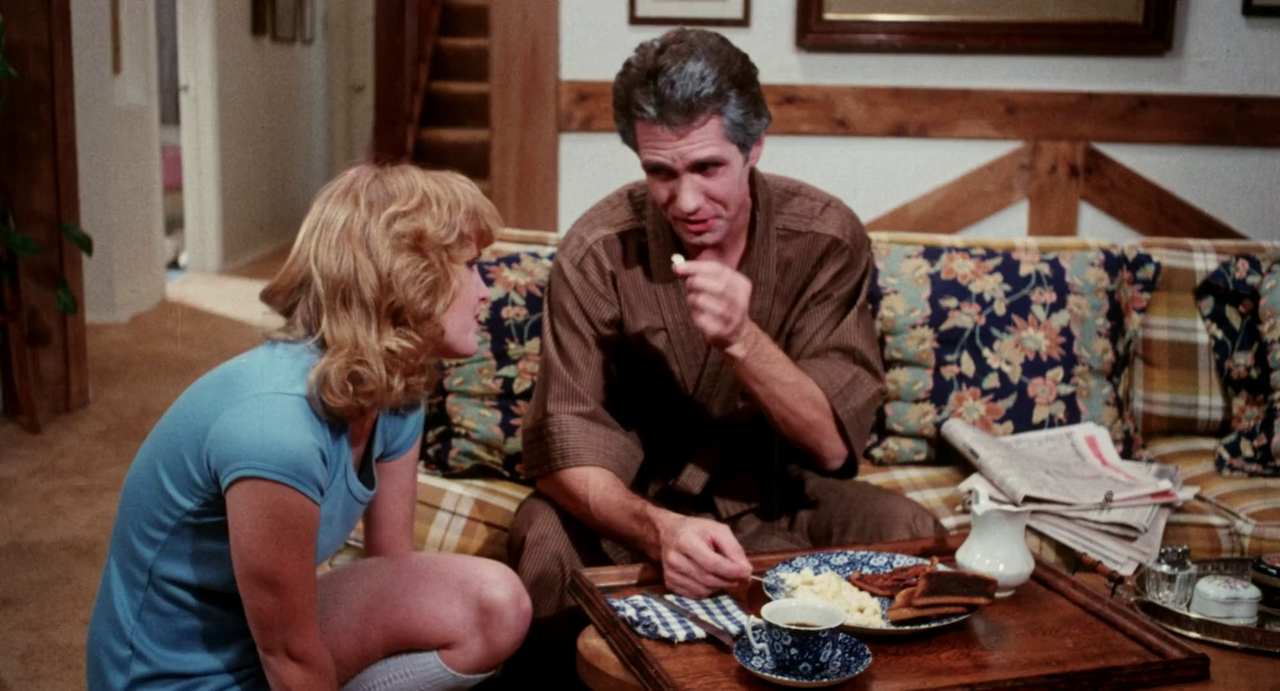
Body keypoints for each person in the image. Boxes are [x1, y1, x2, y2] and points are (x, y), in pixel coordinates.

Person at [506, 28, 944, 681]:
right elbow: (560, 454)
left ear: (754, 146)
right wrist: (659, 531)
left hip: (775, 493)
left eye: (707, 168)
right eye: (660, 172)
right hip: (631, 501)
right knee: (543, 537)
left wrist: (743, 340)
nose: (684, 202)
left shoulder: (824, 238)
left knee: (909, 530)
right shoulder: (599, 250)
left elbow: (831, 447)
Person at [86, 165, 531, 690]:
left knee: (495, 605)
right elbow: (288, 657)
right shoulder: (276, 428)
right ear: (407, 278)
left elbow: (391, 571)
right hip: (175, 677)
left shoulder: (397, 391)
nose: (486, 290)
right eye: (472, 267)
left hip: (265, 642)